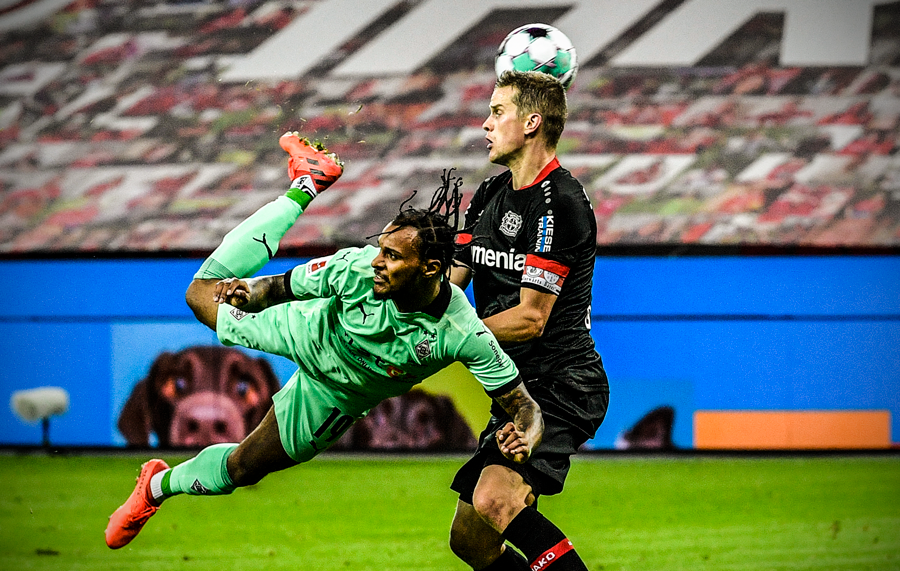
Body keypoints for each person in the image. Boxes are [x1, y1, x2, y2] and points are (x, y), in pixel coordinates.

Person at [105, 132, 544, 550]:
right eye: (380, 250)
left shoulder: (462, 333)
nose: (377, 262)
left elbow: (524, 405)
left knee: (243, 468)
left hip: (334, 395)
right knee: (201, 295)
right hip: (304, 329)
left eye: (392, 256)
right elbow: (279, 288)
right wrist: (250, 292)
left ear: (430, 268)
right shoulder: (353, 267)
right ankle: (305, 185)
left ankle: (156, 485)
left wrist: (524, 433)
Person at [447, 71, 610, 571]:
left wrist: (441, 340)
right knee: (470, 537)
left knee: (496, 502)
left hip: (562, 381)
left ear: (532, 122)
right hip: (515, 385)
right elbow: (452, 285)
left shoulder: (560, 204)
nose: (485, 123)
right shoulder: (490, 194)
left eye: (498, 112)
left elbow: (530, 319)